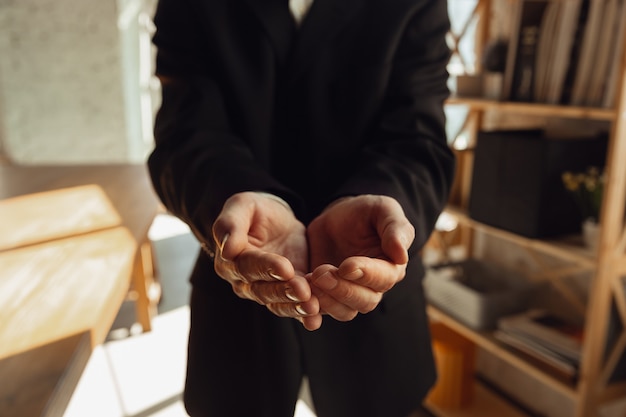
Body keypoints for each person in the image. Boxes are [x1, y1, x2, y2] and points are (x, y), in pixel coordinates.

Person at [147, 0, 455, 416]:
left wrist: (382, 199)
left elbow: (419, 137)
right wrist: (237, 195)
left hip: (376, 312)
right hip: (240, 300)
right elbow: (184, 135)